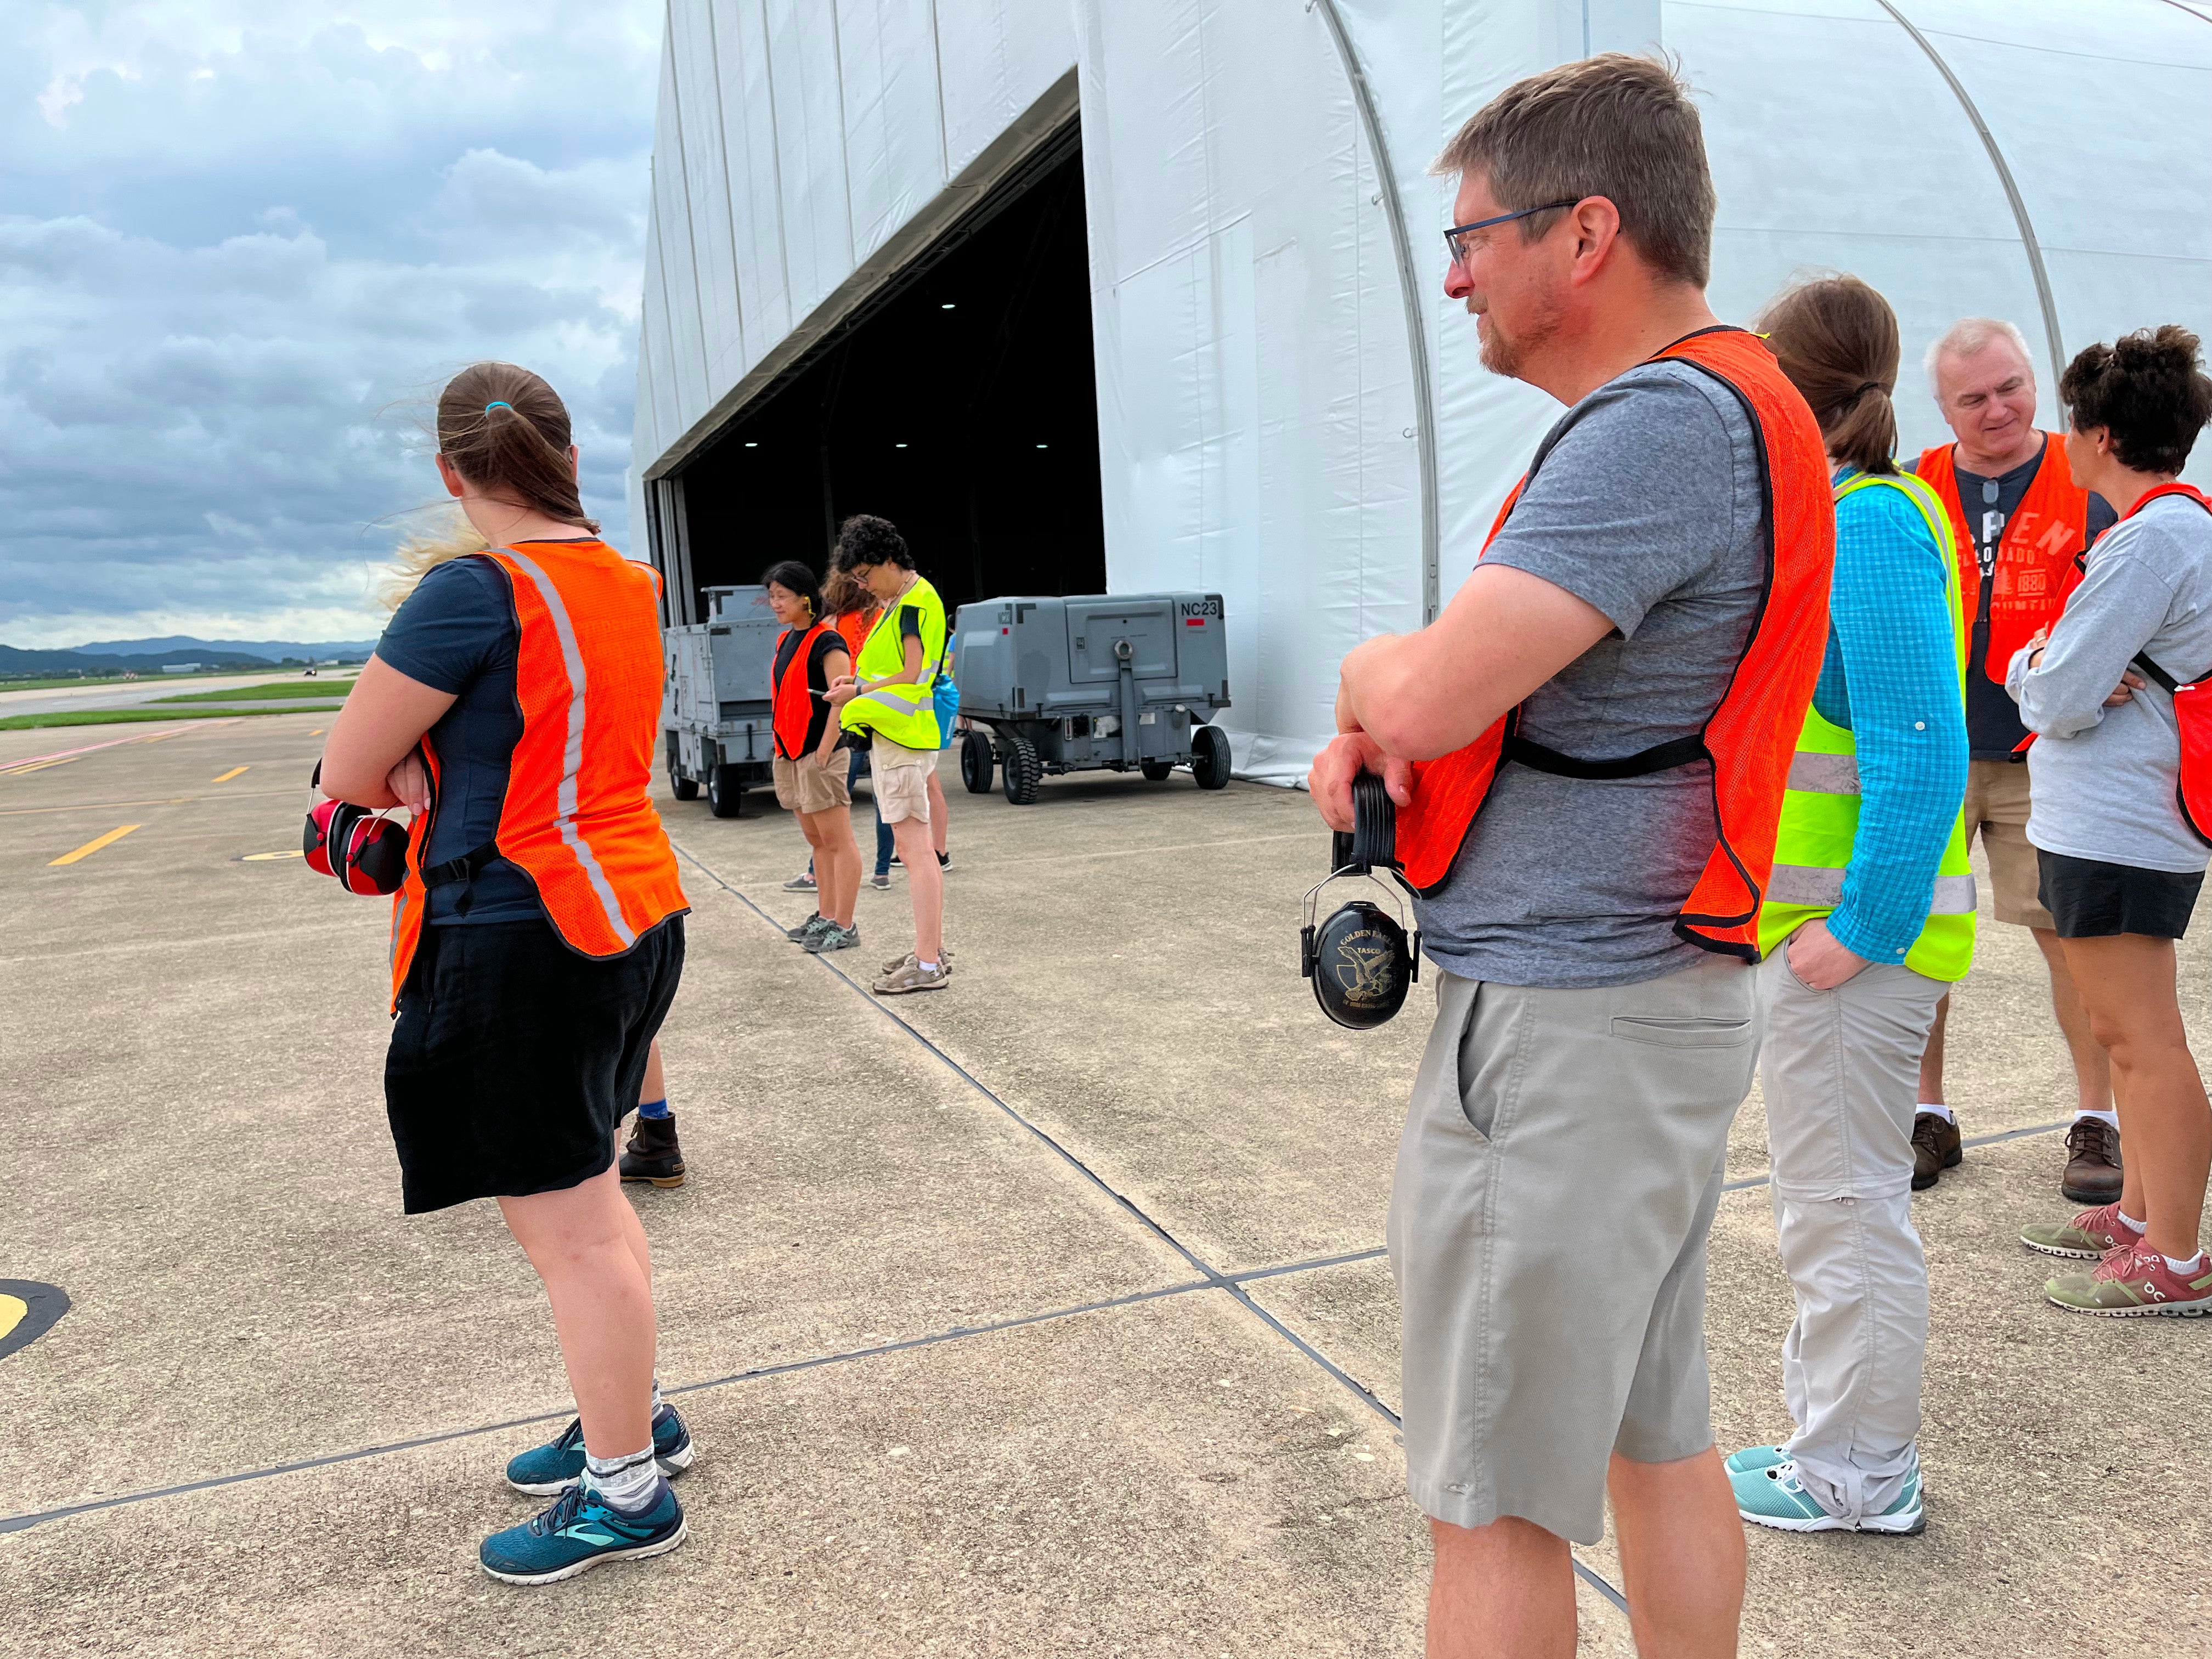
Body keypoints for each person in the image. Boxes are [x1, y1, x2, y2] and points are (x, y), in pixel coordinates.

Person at [1311, 56, 1833, 1658]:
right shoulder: (1739, 407)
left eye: (1474, 238)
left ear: (1587, 233)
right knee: (1652, 1436)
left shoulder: (1655, 428)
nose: (1457, 278)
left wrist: (1364, 682)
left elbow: (1427, 692)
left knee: (1491, 1503)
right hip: (1652, 1004)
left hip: (1564, 1032)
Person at [320, 362, 694, 1584]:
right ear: (568, 458)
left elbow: (344, 778)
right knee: (594, 1196)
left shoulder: (473, 592)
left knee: (570, 1230)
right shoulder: (625, 581)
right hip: (630, 909)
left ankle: (625, 1491)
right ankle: (629, 1417)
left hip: (523, 935)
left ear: (451, 473)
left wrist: (414, 770)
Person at [1722, 276, 1971, 1538]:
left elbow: (1920, 755)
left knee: (1843, 1210)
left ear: (1789, 389)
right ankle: (1836, 1446)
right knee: (1834, 1203)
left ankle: (1858, 1477)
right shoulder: (1868, 512)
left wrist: (1856, 929)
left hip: (1852, 950)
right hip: (1841, 942)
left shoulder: (1866, 527)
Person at [2008, 326, 2212, 1315]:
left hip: (2121, 823)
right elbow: (2067, 674)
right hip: (2116, 819)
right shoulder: (2171, 529)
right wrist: (2055, 667)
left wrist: (2038, 668)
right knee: (2116, 1027)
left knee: (2141, 1038)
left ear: (2097, 435)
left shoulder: (2149, 541)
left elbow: (2054, 693)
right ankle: (2137, 1214)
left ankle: (2175, 1257)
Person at [1909, 318, 2120, 1199]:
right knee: (1918, 936)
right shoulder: (1910, 485)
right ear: (1941, 407)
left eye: (2011, 388)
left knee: (2073, 941)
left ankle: (2098, 1121)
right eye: (1974, 398)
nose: (1997, 409)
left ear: (2037, 384)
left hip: (2050, 755)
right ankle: (1926, 1114)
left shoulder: (2092, 478)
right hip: (1933, 749)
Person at [827, 515, 952, 995]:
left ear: (889, 560)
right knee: (917, 850)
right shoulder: (905, 601)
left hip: (901, 739)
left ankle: (927, 963)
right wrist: (858, 684)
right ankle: (931, 950)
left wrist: (857, 691)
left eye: (865, 575)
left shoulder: (912, 603)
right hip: (900, 736)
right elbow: (903, 672)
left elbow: (914, 675)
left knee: (914, 851)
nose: (863, 586)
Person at [765, 559, 864, 955]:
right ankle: (826, 915)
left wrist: (825, 749)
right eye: (772, 597)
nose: (775, 603)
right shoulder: (785, 640)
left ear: (805, 599)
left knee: (838, 841)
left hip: (818, 754)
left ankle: (845, 924)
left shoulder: (828, 641)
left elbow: (841, 700)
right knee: (818, 841)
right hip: (791, 753)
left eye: (782, 596)